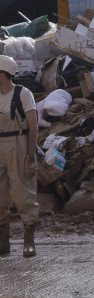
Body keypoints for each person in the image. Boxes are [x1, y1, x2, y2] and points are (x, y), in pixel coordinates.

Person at [0, 55, 38, 257]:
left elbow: (33, 126)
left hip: (18, 144)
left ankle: (28, 241)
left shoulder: (23, 94)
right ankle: (2, 243)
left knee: (24, 193)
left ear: (4, 74)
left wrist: (30, 155)